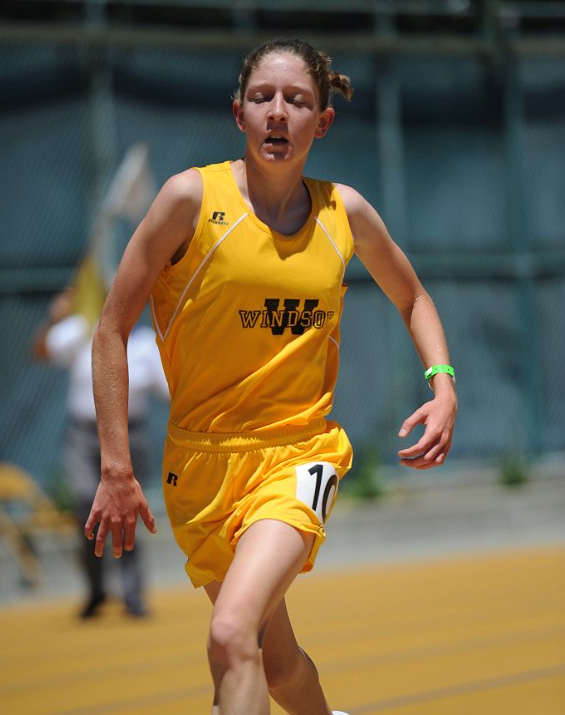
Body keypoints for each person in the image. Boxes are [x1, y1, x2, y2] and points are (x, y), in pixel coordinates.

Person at [85, 37, 457, 714]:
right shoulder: (188, 202)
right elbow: (109, 329)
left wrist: (442, 382)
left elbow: (412, 297)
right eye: (263, 98)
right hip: (197, 471)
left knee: (229, 635)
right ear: (238, 113)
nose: (278, 113)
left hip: (297, 458)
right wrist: (116, 465)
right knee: (276, 662)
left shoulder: (344, 213)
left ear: (323, 121)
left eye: (297, 100)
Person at [33, 287, 168, 618]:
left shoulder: (145, 344)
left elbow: (170, 391)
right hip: (83, 436)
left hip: (128, 436)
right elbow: (40, 352)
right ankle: (95, 591)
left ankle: (133, 594)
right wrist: (54, 317)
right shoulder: (82, 330)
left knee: (128, 510)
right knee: (85, 507)